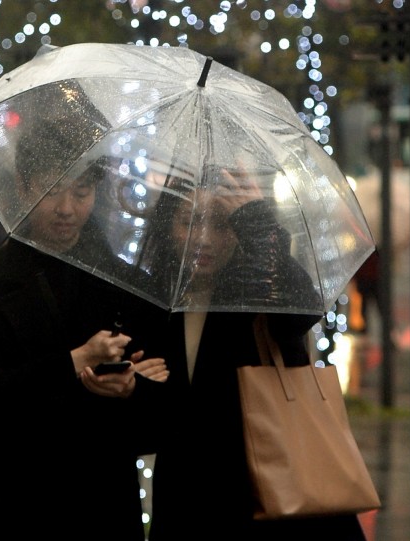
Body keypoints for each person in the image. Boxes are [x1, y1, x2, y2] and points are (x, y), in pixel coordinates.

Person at [0, 111, 169, 540]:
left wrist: (133, 390)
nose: (67, 209)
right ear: (25, 188)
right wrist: (74, 362)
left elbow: (163, 412)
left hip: (97, 506)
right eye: (51, 192)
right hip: (4, 505)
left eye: (81, 192)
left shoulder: (125, 286)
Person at [146, 169, 368, 541]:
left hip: (268, 491)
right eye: (189, 222)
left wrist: (255, 220)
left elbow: (301, 309)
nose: (204, 240)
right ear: (168, 224)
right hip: (188, 499)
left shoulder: (259, 286)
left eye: (221, 224)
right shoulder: (158, 294)